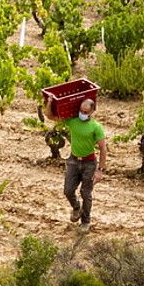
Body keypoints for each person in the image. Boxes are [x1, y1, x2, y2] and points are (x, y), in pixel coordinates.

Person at [44, 96, 106, 233]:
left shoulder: (96, 127)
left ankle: (85, 221)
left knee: (86, 193)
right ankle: (76, 207)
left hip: (89, 163)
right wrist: (49, 102)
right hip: (73, 160)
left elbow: (103, 148)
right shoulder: (72, 121)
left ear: (91, 112)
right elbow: (50, 116)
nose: (82, 114)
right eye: (81, 111)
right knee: (68, 190)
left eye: (85, 112)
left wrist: (100, 170)